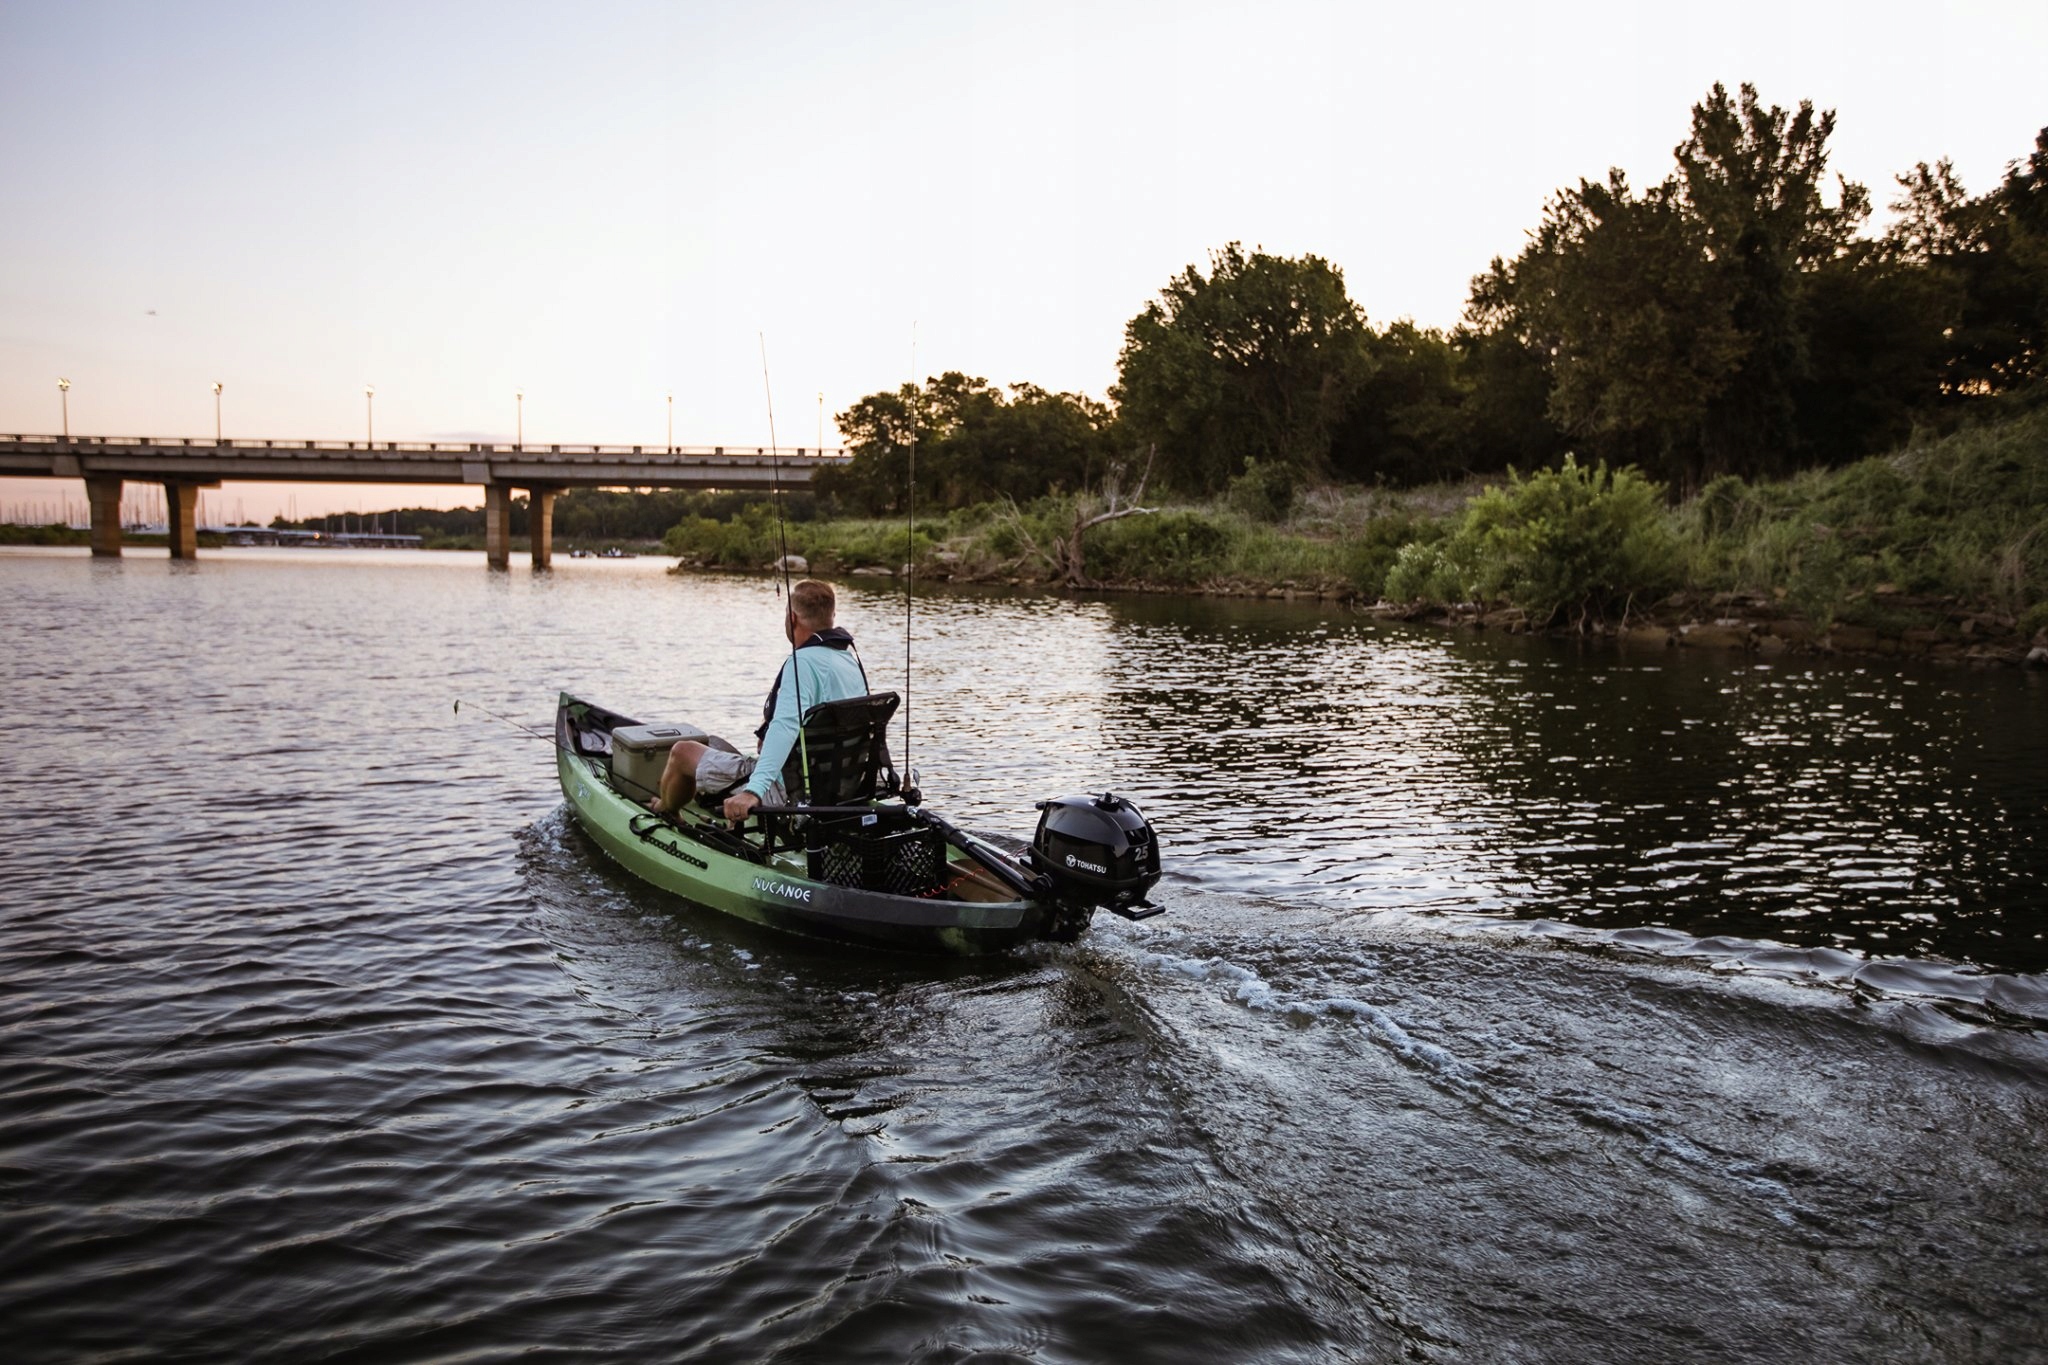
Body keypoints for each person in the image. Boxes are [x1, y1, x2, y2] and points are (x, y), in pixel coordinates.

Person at [650, 579, 871, 825]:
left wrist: (753, 791)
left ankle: (665, 809)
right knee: (723, 747)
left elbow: (786, 725)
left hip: (793, 791)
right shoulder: (850, 661)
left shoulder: (802, 663)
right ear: (832, 617)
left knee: (683, 752)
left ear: (793, 619)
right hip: (841, 782)